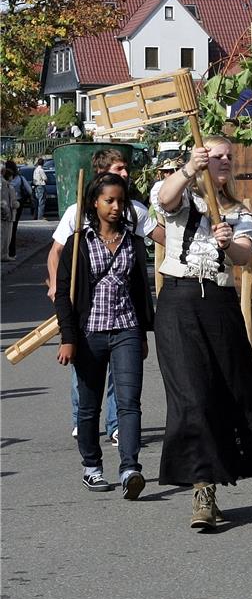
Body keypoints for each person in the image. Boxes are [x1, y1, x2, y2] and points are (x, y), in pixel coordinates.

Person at [153, 135, 252, 530]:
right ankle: (201, 490)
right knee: (191, 398)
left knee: (223, 396)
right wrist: (189, 168)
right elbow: (165, 198)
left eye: (228, 157)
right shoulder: (184, 198)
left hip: (220, 304)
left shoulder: (239, 211)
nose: (222, 161)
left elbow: (245, 254)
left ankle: (212, 481)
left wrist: (229, 245)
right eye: (215, 155)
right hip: (178, 301)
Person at [49, 149, 163, 442]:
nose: (125, 174)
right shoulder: (77, 212)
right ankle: (84, 421)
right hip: (88, 314)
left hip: (124, 318)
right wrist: (55, 285)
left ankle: (116, 427)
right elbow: (57, 252)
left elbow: (160, 238)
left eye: (125, 169)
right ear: (100, 175)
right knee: (87, 376)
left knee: (122, 380)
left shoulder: (133, 211)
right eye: (119, 168)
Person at [53, 173, 153, 498]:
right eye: (109, 200)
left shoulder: (133, 242)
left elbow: (139, 291)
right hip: (89, 334)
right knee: (88, 406)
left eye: (120, 201)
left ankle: (130, 469)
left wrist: (142, 335)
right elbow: (64, 295)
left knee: (129, 403)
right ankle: (92, 467)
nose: (115, 207)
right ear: (94, 201)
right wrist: (68, 337)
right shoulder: (78, 242)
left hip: (126, 328)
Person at [6, 159, 32, 259]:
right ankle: (12, 252)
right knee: (13, 228)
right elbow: (29, 191)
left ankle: (4, 251)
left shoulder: (3, 180)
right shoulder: (20, 178)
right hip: (17, 205)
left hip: (5, 204)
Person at [0, 165, 17, 262]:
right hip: (7, 215)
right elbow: (11, 202)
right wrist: (16, 204)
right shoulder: (7, 186)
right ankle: (4, 255)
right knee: (6, 236)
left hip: (6, 213)